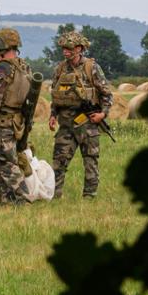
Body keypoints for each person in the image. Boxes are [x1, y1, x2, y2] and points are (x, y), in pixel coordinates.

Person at [48, 31, 113, 199]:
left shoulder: (92, 67)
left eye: (68, 48)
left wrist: (102, 115)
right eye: (63, 48)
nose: (65, 52)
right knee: (58, 161)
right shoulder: (60, 68)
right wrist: (52, 115)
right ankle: (55, 195)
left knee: (90, 161)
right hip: (66, 124)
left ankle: (89, 196)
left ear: (79, 48)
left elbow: (107, 94)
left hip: (88, 122)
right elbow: (55, 95)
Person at [0, 28, 32, 204]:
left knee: (6, 164)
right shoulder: (24, 66)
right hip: (16, 121)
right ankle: (8, 200)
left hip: (2, 122)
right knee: (0, 162)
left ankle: (24, 197)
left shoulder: (2, 69)